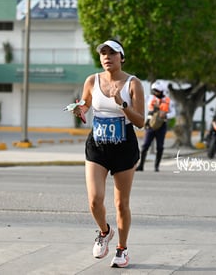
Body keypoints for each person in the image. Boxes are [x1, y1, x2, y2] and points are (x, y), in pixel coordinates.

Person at [71, 39, 145, 268]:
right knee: (95, 200)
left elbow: (141, 122)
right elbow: (85, 104)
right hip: (98, 145)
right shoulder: (92, 80)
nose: (106, 57)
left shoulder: (133, 83)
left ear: (121, 57)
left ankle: (122, 250)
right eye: (103, 53)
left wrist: (122, 103)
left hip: (124, 146)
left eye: (112, 53)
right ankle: (104, 232)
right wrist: (80, 110)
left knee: (121, 204)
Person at [136, 81, 173, 172]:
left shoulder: (168, 100)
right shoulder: (150, 98)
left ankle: (156, 166)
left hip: (161, 125)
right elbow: (138, 98)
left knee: (160, 146)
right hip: (150, 125)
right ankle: (141, 165)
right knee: (145, 146)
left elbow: (173, 112)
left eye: (157, 91)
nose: (155, 92)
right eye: (154, 90)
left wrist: (165, 115)